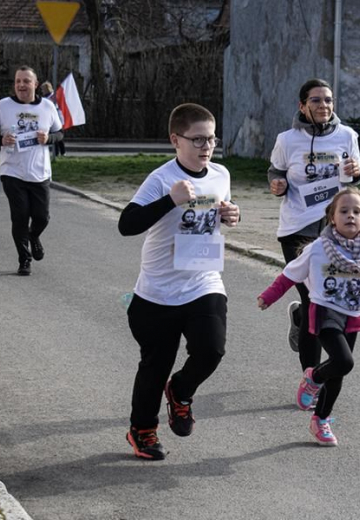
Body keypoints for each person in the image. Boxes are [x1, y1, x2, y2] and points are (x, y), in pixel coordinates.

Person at [118, 103, 240, 460]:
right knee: (155, 366)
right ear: (176, 139)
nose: (206, 147)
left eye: (212, 139)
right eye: (198, 139)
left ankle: (181, 392)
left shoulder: (220, 174)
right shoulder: (160, 179)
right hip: (157, 292)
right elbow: (127, 224)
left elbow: (222, 208)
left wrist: (232, 213)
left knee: (211, 349)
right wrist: (170, 200)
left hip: (204, 281)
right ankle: (142, 431)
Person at [257, 187, 360, 446]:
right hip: (325, 310)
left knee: (338, 372)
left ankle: (321, 420)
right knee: (344, 361)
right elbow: (290, 274)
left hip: (352, 313)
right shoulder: (318, 249)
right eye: (344, 211)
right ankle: (314, 377)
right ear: (332, 217)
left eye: (356, 211)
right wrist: (268, 296)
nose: (350, 215)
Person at [267, 78, 360, 410]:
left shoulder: (347, 135)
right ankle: (311, 377)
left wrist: (357, 170)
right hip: (298, 230)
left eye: (329, 100)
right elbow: (274, 172)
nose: (324, 106)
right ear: (302, 105)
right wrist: (277, 184)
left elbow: (356, 176)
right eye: (317, 100)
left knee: (326, 302)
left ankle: (312, 354)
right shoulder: (287, 139)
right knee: (314, 300)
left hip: (335, 230)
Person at [0, 66, 63, 276]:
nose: (21, 85)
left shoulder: (47, 106)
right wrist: (0, 140)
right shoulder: (3, 106)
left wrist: (48, 139)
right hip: (12, 171)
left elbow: (60, 133)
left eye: (26, 81)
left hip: (40, 172)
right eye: (18, 81)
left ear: (35, 85)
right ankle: (24, 259)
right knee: (20, 216)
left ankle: (33, 236)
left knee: (42, 217)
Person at [40, 81, 67, 157]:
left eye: (43, 89)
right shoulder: (44, 98)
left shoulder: (53, 97)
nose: (42, 91)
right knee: (53, 136)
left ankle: (62, 152)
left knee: (59, 136)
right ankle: (56, 153)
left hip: (57, 118)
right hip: (49, 119)